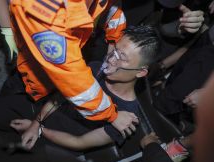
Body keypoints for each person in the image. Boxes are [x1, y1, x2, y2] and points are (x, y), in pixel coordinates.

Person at [10, 25, 160, 150]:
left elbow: (78, 142)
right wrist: (36, 123)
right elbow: (59, 97)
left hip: (59, 144)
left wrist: (40, 130)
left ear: (141, 72)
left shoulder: (127, 118)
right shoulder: (95, 68)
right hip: (41, 116)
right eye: (115, 50)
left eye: (123, 58)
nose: (112, 59)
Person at [8, 0, 136, 143]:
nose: (113, 60)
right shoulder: (47, 8)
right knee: (6, 109)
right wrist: (112, 115)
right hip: (36, 73)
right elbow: (71, 78)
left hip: (56, 92)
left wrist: (115, 41)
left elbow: (110, 8)